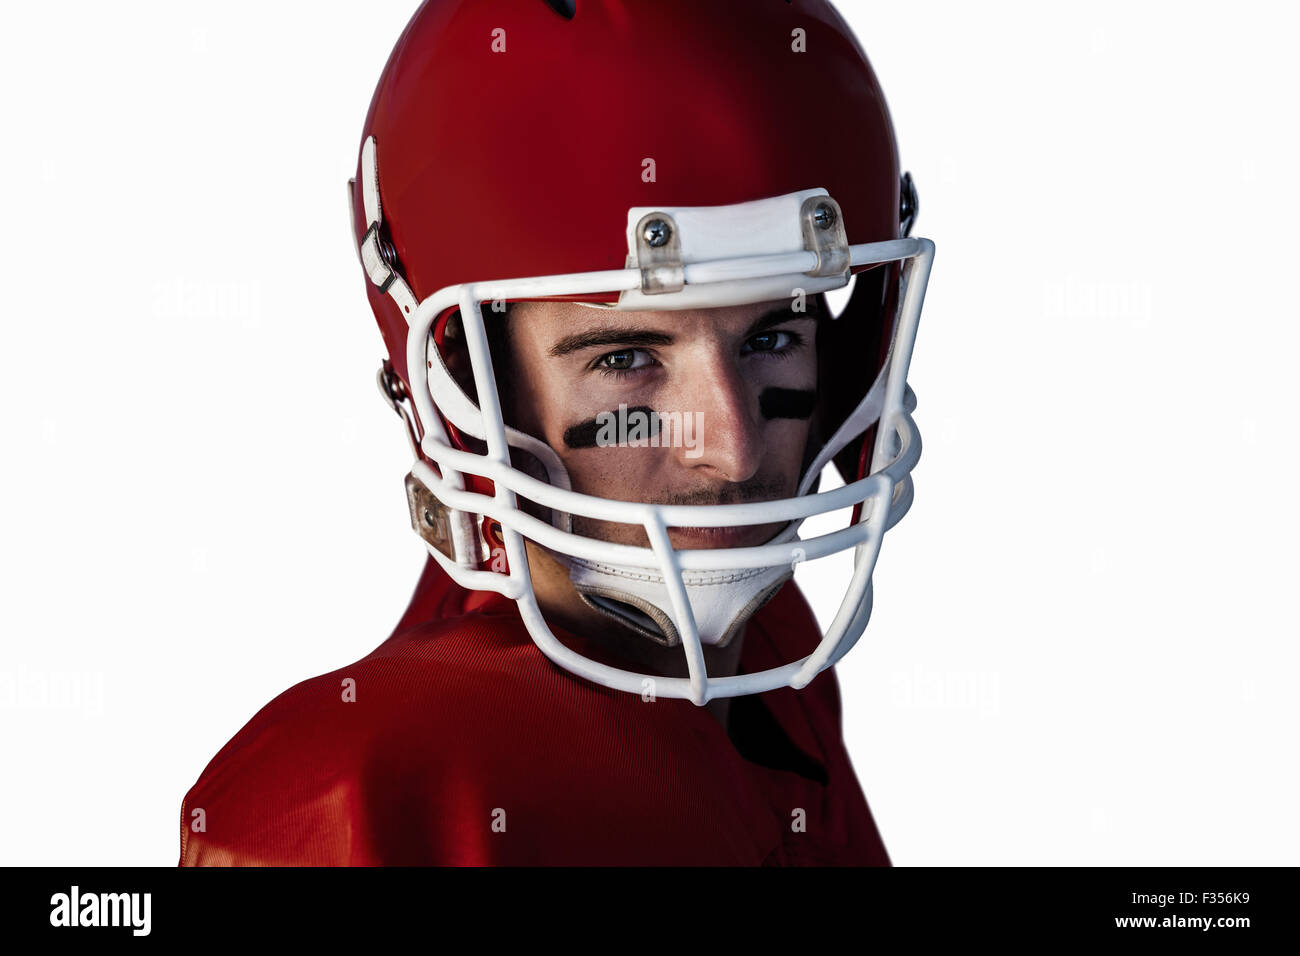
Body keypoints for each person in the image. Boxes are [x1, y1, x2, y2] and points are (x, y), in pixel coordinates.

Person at [178, 0, 935, 866]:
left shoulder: (771, 656)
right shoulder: (364, 801)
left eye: (771, 338)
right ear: (469, 378)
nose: (732, 449)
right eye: (625, 357)